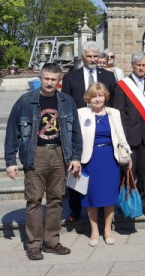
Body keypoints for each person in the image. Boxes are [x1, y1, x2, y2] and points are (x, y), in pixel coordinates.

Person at [5, 63, 82, 260]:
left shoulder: (67, 101)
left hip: (59, 154)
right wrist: (10, 161)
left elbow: (76, 133)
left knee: (56, 200)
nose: (49, 83)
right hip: (35, 154)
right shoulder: (25, 101)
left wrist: (75, 157)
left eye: (53, 80)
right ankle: (34, 244)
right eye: (46, 79)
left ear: (59, 81)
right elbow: (12, 132)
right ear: (40, 78)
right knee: (34, 200)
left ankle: (52, 242)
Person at [61, 41, 117, 222]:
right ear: (83, 57)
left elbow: (113, 102)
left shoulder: (108, 77)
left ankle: (101, 207)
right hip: (79, 128)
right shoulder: (71, 77)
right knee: (77, 168)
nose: (92, 59)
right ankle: (75, 209)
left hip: (102, 127)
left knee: (100, 173)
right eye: (89, 56)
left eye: (95, 56)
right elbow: (66, 103)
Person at [78, 83, 131, 246]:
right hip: (89, 159)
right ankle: (94, 231)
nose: (97, 99)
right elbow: (76, 138)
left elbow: (121, 136)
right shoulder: (81, 113)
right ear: (89, 98)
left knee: (109, 196)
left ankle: (108, 229)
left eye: (100, 96)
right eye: (94, 96)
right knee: (91, 196)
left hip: (109, 158)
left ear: (105, 97)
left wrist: (129, 157)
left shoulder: (113, 113)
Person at [112, 52, 145, 216]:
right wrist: (121, 137)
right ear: (133, 66)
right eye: (138, 65)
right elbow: (118, 113)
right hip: (128, 136)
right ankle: (125, 201)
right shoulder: (122, 85)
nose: (141, 68)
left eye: (144, 65)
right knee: (127, 170)